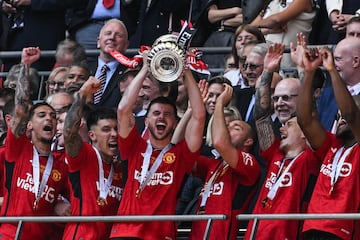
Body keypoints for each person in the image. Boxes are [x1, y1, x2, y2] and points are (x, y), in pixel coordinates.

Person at [110, 52, 205, 239]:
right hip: (124, 232)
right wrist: (145, 68)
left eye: (167, 114)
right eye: (155, 113)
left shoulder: (182, 155)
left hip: (159, 235)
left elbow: (199, 116)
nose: (161, 117)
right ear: (146, 121)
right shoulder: (134, 146)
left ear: (176, 123)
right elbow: (123, 109)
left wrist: (186, 72)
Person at [244, 43, 320, 240]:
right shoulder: (275, 151)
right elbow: (261, 116)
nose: (278, 104)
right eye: (276, 99)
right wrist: (268, 71)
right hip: (257, 233)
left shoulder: (312, 154)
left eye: (286, 98)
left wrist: (304, 68)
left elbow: (309, 112)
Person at [0, 47, 69, 239]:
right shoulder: (19, 148)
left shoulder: (61, 164)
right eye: (42, 115)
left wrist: (58, 202)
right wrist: (26, 66)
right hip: (8, 234)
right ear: (29, 125)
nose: (49, 119)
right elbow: (21, 107)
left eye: (53, 117)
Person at [298, 45, 360, 240]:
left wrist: (332, 70)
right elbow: (304, 119)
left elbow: (350, 114)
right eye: (338, 115)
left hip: (343, 231)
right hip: (312, 226)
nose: (341, 118)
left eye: (344, 116)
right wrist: (309, 72)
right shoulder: (331, 144)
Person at [189, 83, 260, 240]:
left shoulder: (250, 162)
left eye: (236, 127)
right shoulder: (214, 164)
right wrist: (193, 110)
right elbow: (187, 154)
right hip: (198, 232)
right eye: (226, 125)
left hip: (222, 233)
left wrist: (220, 103)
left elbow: (220, 142)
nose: (228, 127)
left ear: (248, 141)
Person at [62, 77, 124, 239]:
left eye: (116, 129)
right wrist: (82, 95)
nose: (114, 134)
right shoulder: (85, 155)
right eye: (106, 129)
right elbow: (68, 132)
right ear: (92, 135)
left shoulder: (119, 168)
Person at [1, 0, 85, 71]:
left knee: (37, 83)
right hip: (10, 39)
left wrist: (33, 1)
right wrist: (3, 5)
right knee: (10, 83)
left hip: (42, 39)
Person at [251, 0, 316, 68]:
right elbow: (249, 28)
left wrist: (258, 24)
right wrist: (266, 30)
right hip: (267, 60)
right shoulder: (272, 2)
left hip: (290, 62)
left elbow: (276, 20)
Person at [91, 18, 129, 108]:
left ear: (126, 45)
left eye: (118, 35)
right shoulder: (85, 68)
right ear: (98, 42)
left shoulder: (130, 72)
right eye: (108, 33)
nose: (112, 37)